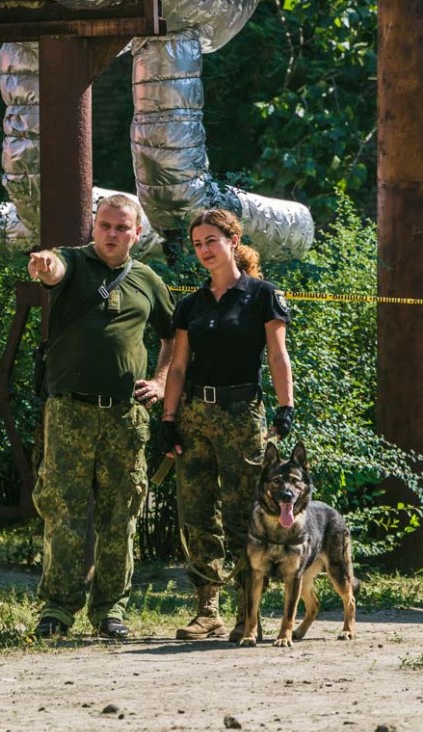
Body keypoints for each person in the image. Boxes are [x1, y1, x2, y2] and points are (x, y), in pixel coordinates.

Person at [27, 194, 176, 640]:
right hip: (69, 411)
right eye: (104, 225)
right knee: (63, 510)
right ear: (94, 226)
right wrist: (43, 265)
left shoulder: (149, 281)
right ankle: (57, 608)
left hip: (125, 417)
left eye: (121, 228)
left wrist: (163, 381)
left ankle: (111, 609)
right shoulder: (74, 262)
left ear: (136, 233)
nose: (111, 234)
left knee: (121, 513)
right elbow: (55, 267)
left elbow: (173, 337)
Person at [158, 208, 294, 641]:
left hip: (242, 414)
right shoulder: (190, 305)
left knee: (241, 516)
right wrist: (169, 419)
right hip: (196, 414)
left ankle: (247, 612)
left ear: (233, 241)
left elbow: (277, 355)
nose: (204, 250)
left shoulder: (261, 295)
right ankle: (207, 609)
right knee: (196, 513)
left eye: (211, 241)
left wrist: (285, 406)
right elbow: (178, 368)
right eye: (197, 244)